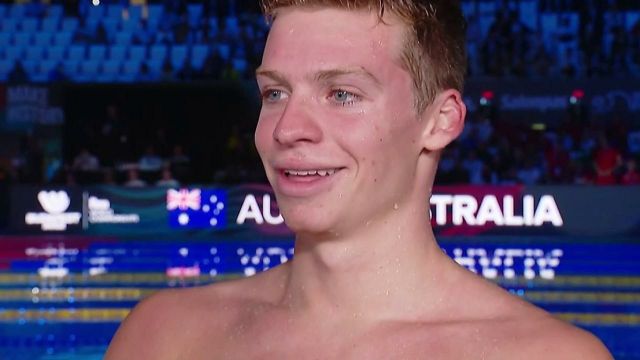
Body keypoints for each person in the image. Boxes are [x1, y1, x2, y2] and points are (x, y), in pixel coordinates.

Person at [106, 1, 612, 358]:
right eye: (275, 93)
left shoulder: (546, 354)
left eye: (342, 94)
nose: (288, 129)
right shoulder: (162, 339)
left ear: (440, 122)